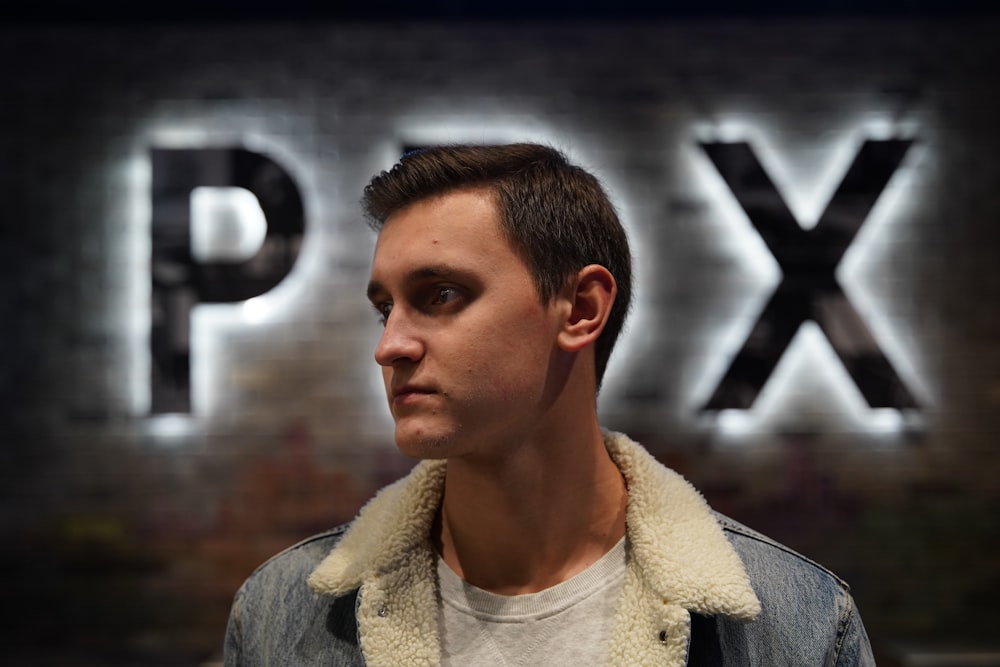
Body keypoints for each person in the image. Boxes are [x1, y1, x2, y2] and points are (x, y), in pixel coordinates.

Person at [223, 143, 875, 666]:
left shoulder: (794, 623)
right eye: (383, 308)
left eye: (441, 294)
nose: (390, 345)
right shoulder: (283, 613)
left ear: (581, 309)